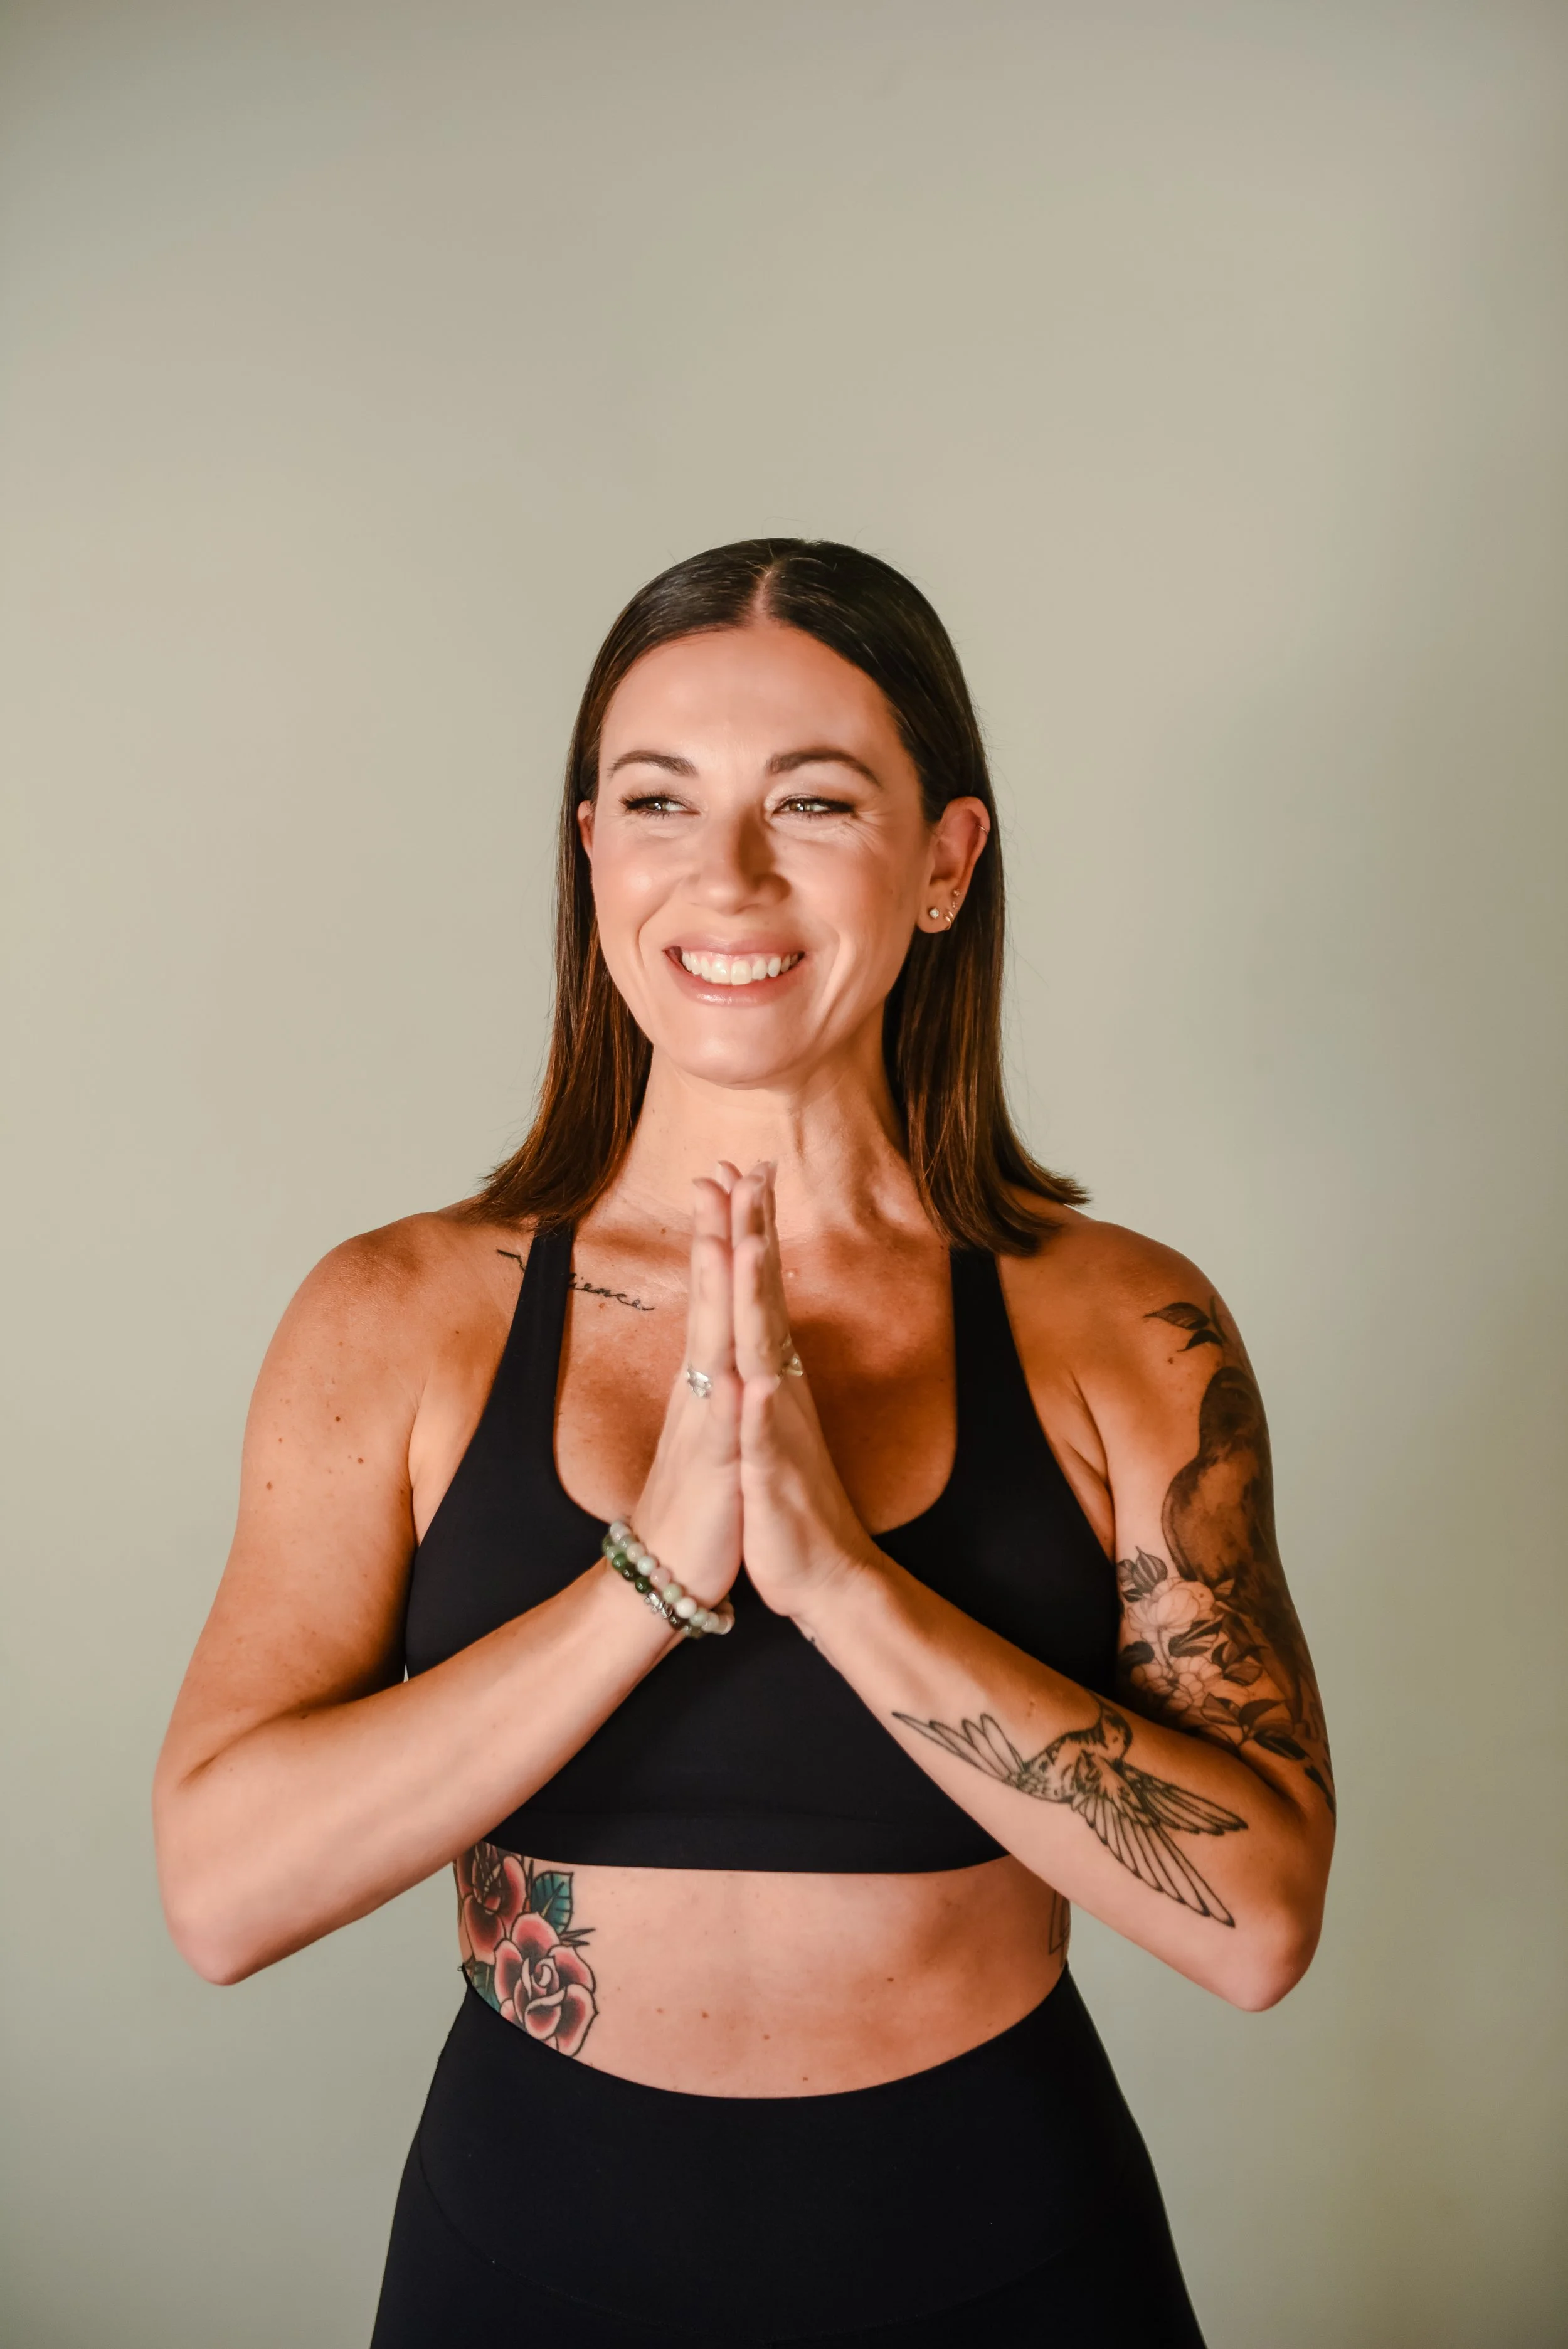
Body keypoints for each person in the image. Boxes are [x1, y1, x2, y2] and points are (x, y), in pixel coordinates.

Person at [154, 538, 1335, 2346]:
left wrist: (842, 1583)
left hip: (1008, 2248)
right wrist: (651, 1576)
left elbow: (1253, 1926)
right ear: (589, 854)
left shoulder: (1119, 1324)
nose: (728, 876)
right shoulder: (396, 1317)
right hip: (528, 2246)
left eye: (813, 800)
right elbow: (222, 1895)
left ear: (943, 861)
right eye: (656, 800)